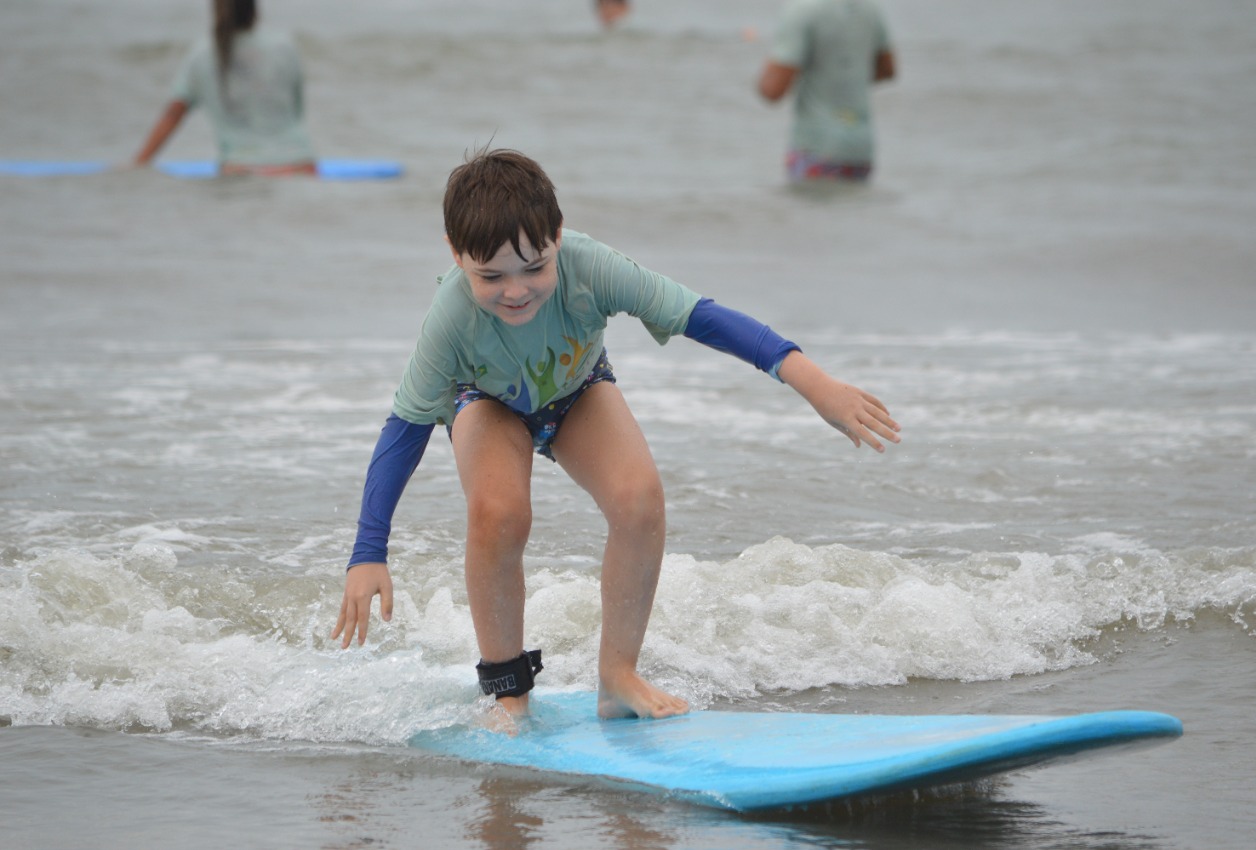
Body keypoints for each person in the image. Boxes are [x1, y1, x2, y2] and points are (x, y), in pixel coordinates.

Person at [331, 149, 900, 725]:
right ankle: (508, 692)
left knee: (639, 498)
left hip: (577, 389)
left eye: (534, 267)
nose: (516, 291)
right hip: (486, 401)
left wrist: (813, 383)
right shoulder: (450, 317)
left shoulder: (591, 267)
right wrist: (368, 552)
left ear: (557, 236)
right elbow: (404, 429)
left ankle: (617, 677)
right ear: (456, 256)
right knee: (499, 513)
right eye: (491, 276)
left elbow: (699, 316)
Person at [133, 0, 315, 175]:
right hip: (300, 164)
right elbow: (297, 110)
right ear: (254, 8)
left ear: (217, 10)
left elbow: (173, 114)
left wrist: (138, 165)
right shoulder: (284, 47)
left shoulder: (201, 54)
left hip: (240, 169)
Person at [757, 0, 896, 182]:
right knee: (854, 201)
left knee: (808, 200)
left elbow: (772, 90)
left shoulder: (802, 9)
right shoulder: (870, 8)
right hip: (860, 150)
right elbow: (887, 70)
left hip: (815, 148)